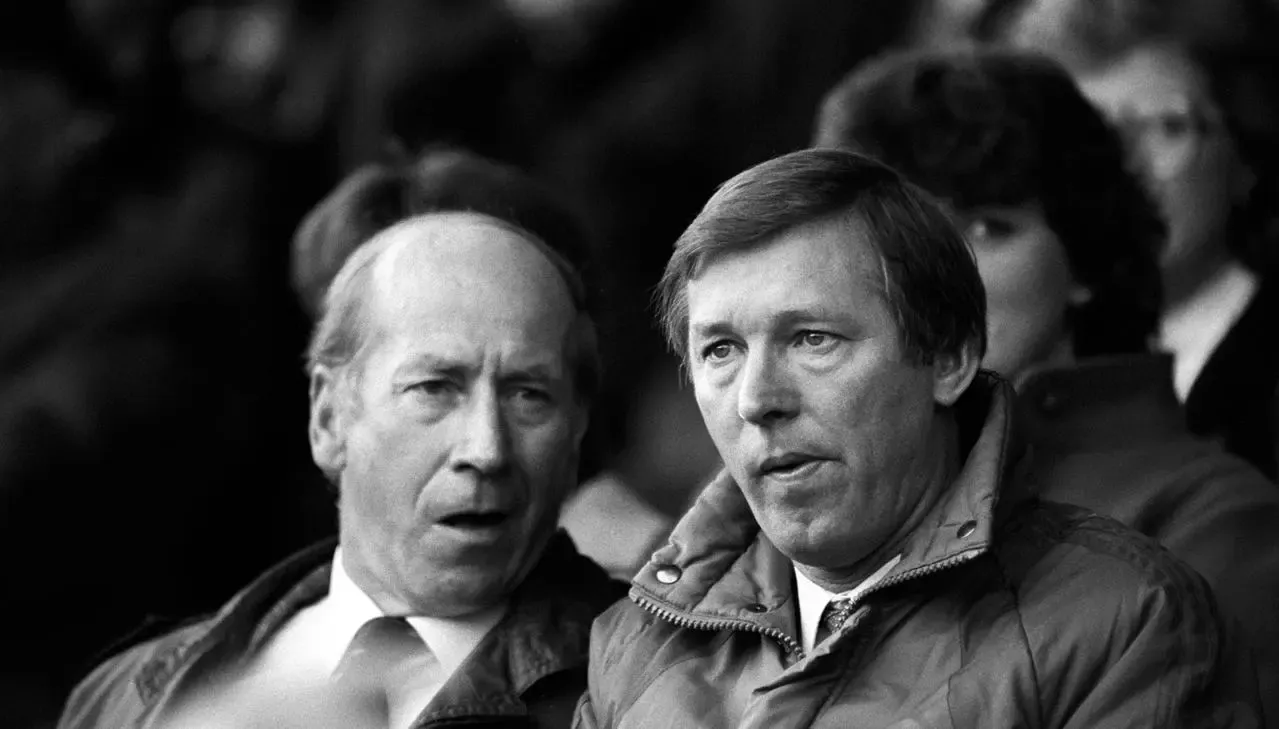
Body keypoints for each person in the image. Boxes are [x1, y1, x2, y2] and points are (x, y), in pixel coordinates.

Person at [574, 148, 1262, 728]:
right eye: (719, 350)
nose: (756, 399)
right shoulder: (632, 644)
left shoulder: (1126, 620)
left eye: (812, 339)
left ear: (948, 358)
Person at [58, 159, 625, 729]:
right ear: (328, 418)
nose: (486, 447)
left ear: (576, 429)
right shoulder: (122, 695)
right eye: (434, 387)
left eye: (528, 395)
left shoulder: (655, 688)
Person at [812, 44, 1279, 720]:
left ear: (1085, 260)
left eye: (985, 226)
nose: (932, 271)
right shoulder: (789, 474)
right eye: (897, 236)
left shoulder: (1212, 519)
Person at [973, 0, 1279, 479]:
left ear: (1243, 156)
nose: (1124, 166)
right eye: (1092, 135)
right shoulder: (1009, 354)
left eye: (1166, 127)